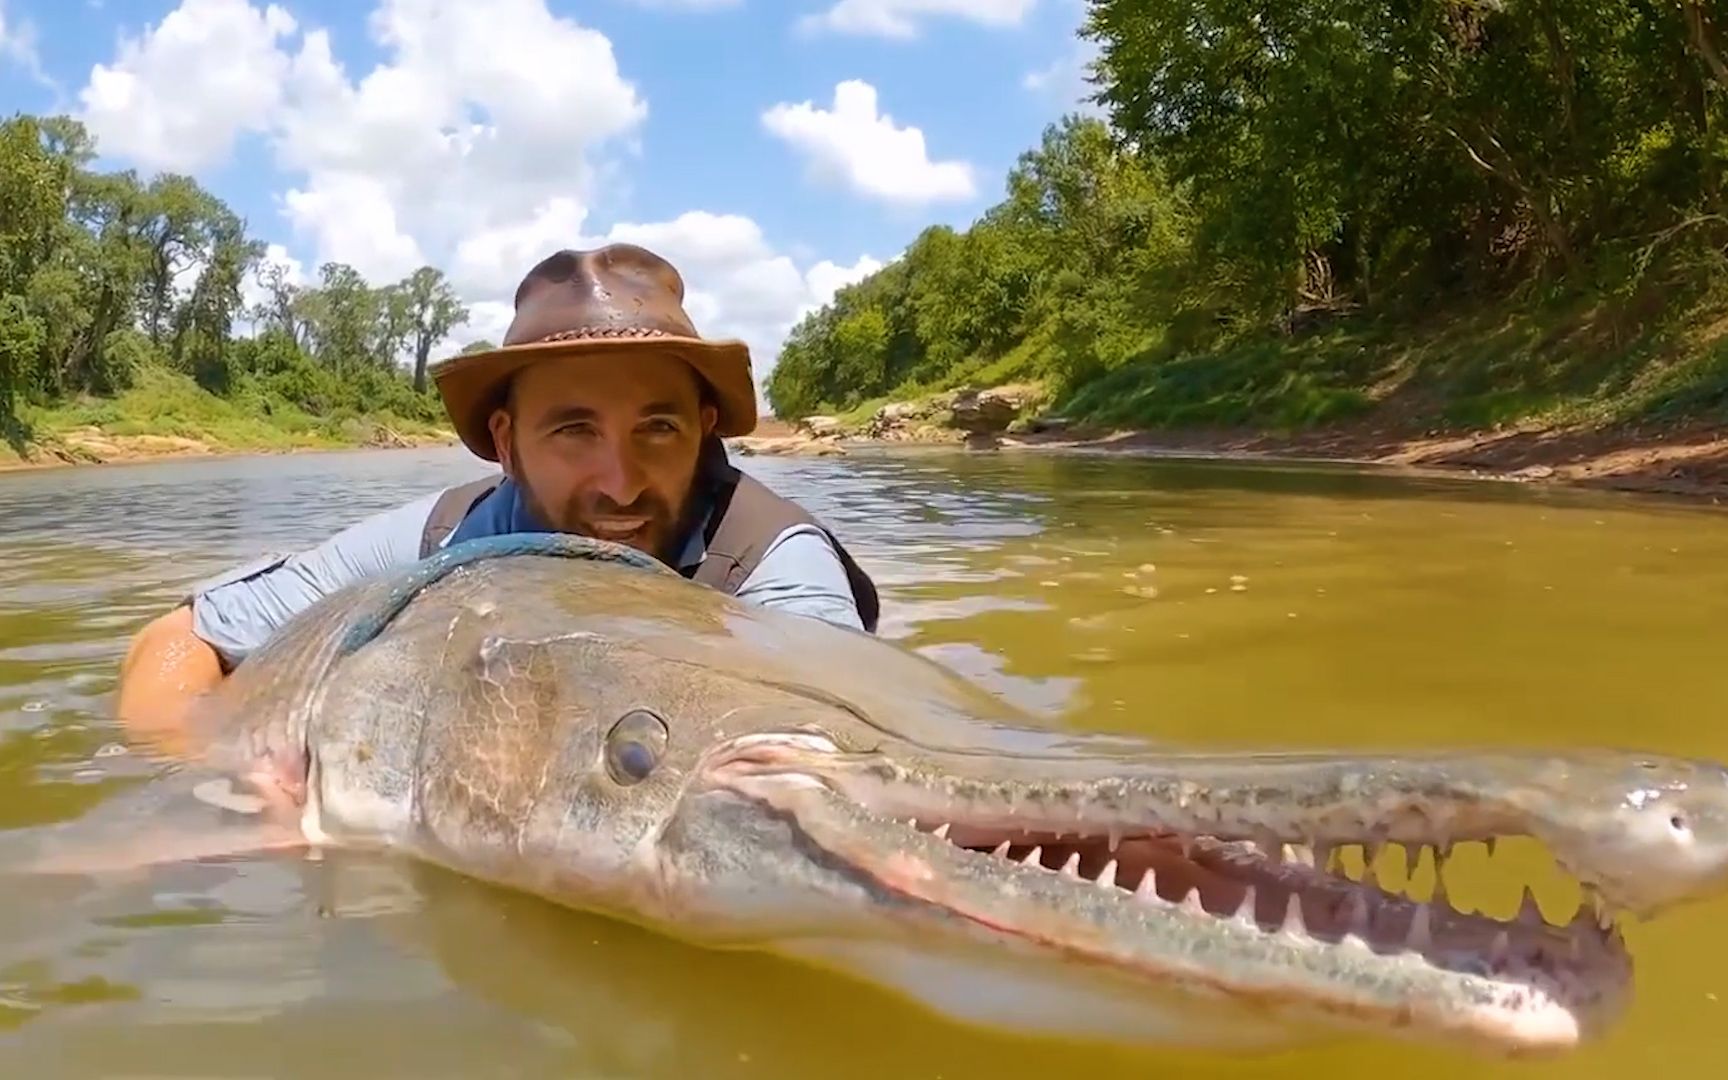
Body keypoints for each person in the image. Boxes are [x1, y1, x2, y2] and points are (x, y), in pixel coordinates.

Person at [114, 243, 880, 747]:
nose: (620, 483)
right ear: (506, 443)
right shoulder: (441, 540)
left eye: (657, 429)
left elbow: (848, 738)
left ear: (705, 428)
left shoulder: (771, 561)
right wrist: (221, 782)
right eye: (574, 431)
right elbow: (178, 640)